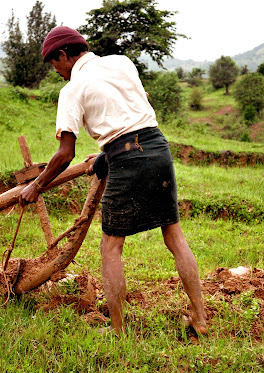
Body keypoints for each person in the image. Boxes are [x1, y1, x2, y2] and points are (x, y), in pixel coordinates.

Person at [20, 26, 207, 335]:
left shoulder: (72, 90)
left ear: (63, 55)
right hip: (158, 149)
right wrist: (105, 157)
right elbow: (135, 118)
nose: (57, 72)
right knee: (174, 236)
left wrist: (35, 185)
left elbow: (65, 153)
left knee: (110, 247)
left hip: (127, 158)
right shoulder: (121, 62)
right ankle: (200, 318)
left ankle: (118, 330)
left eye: (55, 64)